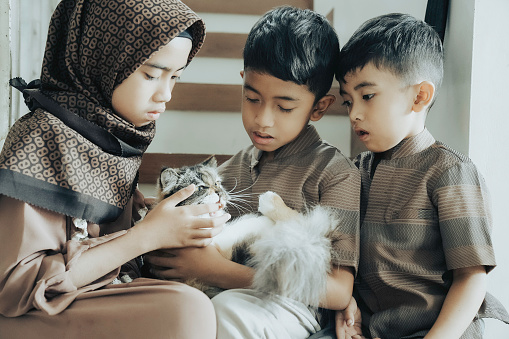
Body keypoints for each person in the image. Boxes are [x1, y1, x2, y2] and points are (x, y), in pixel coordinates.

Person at [0, 0, 231, 337]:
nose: (165, 94)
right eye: (152, 74)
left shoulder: (113, 140)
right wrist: (147, 236)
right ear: (103, 61)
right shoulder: (42, 138)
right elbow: (14, 290)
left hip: (84, 295)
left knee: (193, 302)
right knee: (186, 310)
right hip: (28, 312)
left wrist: (163, 227)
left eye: (176, 77)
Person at [144, 6, 361, 339]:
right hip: (220, 292)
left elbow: (337, 292)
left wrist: (215, 271)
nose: (263, 119)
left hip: (291, 306)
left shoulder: (335, 174)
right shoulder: (231, 171)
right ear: (243, 83)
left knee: (224, 312)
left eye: (284, 107)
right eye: (252, 99)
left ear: (319, 107)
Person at [334, 13, 509, 339]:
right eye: (348, 101)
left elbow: (471, 278)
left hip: (438, 330)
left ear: (419, 96)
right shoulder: (354, 172)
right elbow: (345, 261)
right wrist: (348, 307)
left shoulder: (451, 172)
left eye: (367, 96)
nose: (354, 113)